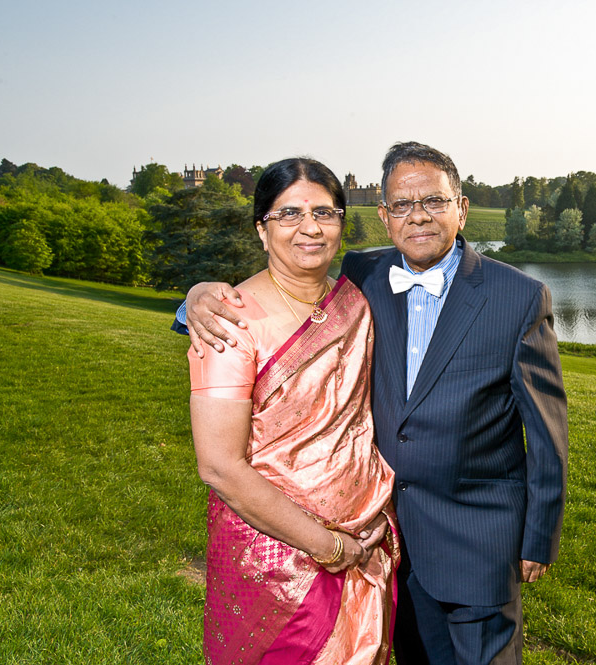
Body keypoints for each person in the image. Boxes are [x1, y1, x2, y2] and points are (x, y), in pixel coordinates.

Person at [183, 142, 568, 665]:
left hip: (475, 538)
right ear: (383, 216)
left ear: (462, 207)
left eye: (433, 201)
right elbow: (270, 293)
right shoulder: (364, 274)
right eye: (402, 206)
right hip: (388, 538)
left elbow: (547, 435)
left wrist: (537, 538)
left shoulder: (518, 296)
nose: (419, 218)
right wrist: (195, 297)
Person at [187, 157, 398, 665]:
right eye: (288, 214)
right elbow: (218, 465)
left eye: (324, 213)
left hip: (367, 528)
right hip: (275, 554)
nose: (309, 228)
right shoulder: (229, 321)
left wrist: (366, 526)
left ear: (342, 223)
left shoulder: (356, 298)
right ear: (262, 229)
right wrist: (328, 546)